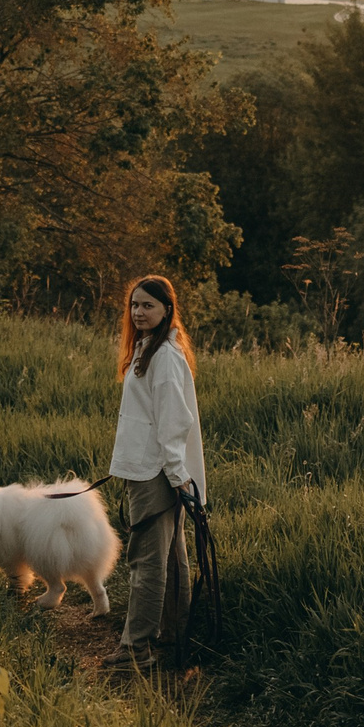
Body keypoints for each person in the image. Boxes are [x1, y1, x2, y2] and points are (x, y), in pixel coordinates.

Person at [108, 273, 206, 668]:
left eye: (148, 305)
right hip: (149, 469)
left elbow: (172, 423)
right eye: (134, 305)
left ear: (167, 309)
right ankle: (174, 636)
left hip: (155, 473)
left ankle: (138, 649)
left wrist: (178, 475)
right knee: (169, 558)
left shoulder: (164, 356)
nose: (139, 312)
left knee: (146, 561)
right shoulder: (150, 349)